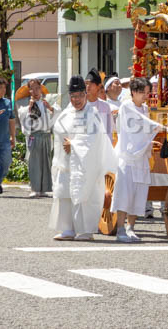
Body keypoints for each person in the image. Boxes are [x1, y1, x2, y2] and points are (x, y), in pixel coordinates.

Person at [112, 77, 168, 243]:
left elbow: (141, 131)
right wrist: (166, 128)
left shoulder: (144, 108)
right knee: (124, 193)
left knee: (139, 193)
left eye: (147, 93)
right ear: (133, 92)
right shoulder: (127, 106)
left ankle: (131, 228)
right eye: (142, 92)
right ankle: (120, 229)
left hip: (141, 156)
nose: (145, 96)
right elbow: (144, 124)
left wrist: (148, 141)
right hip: (128, 157)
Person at [50, 75, 117, 241]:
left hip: (85, 163)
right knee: (65, 193)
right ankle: (67, 229)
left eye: (80, 96)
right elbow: (58, 130)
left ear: (85, 96)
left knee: (84, 194)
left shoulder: (91, 114)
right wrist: (65, 141)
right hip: (66, 162)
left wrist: (74, 144)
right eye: (73, 96)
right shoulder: (67, 113)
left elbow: (93, 139)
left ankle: (85, 230)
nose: (76, 100)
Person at [18, 78, 55, 197]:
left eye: (37, 88)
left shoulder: (47, 101)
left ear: (41, 88)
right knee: (34, 162)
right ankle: (34, 187)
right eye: (32, 89)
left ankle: (44, 189)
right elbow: (24, 119)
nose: (35, 91)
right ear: (29, 91)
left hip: (46, 135)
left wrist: (50, 108)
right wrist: (29, 109)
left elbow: (56, 114)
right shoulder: (25, 105)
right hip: (34, 135)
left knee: (46, 162)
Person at [85, 68, 116, 139]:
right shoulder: (79, 104)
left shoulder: (105, 106)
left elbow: (109, 130)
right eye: (86, 83)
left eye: (91, 84)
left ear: (98, 86)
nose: (87, 87)